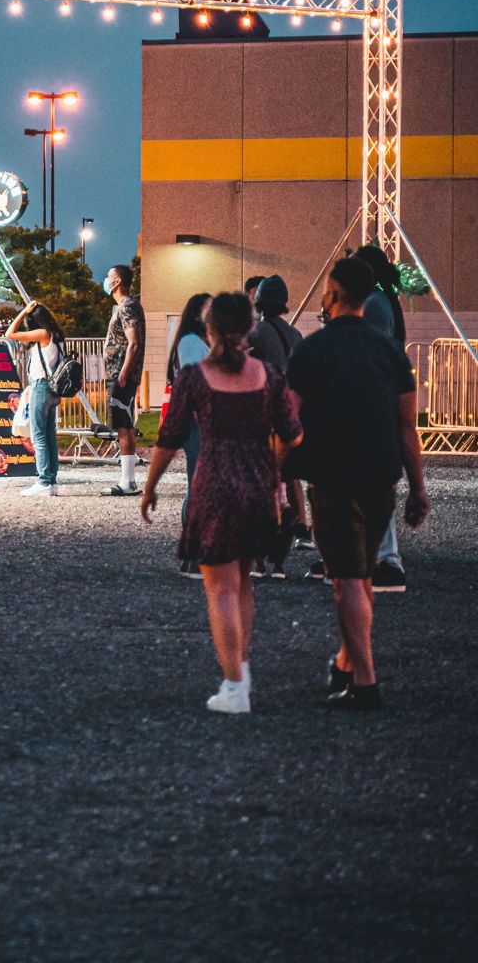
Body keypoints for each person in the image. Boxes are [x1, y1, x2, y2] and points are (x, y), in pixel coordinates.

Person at [141, 291, 302, 715]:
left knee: (220, 589)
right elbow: (293, 433)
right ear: (250, 328)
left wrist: (150, 486)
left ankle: (233, 686)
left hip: (214, 487)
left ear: (208, 328)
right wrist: (276, 473)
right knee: (244, 582)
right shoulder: (268, 375)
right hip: (256, 486)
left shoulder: (195, 377)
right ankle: (241, 670)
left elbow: (169, 436)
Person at [287, 256, 428, 712]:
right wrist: (418, 487)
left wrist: (277, 470)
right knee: (362, 578)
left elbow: (288, 418)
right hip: (380, 476)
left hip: (332, 478)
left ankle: (365, 684)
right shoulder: (389, 351)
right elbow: (408, 426)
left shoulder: (312, 351)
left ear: (333, 292)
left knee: (346, 581)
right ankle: (346, 663)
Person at [353, 242, 409, 594]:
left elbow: (368, 349)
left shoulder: (373, 303)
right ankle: (375, 556)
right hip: (383, 397)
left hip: (372, 399)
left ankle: (385, 559)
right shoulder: (386, 298)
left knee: (370, 480)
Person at [248, 274, 310, 572]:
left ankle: (260, 557)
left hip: (264, 416)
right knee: (286, 478)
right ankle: (292, 531)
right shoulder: (295, 335)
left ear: (258, 302)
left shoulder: (255, 333)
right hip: (292, 416)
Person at [165, 291, 211, 577]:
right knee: (198, 486)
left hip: (198, 421)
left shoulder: (194, 341)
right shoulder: (192, 343)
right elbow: (197, 383)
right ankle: (193, 553)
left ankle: (193, 552)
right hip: (198, 421)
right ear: (197, 315)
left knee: (199, 485)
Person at [6, 299, 65, 496]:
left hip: (41, 387)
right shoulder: (56, 336)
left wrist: (23, 311)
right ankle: (52, 481)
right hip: (53, 389)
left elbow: (10, 334)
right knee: (49, 436)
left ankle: (43, 481)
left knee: (38, 435)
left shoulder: (42, 334)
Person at [103, 264, 145, 496]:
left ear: (117, 281)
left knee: (123, 426)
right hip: (121, 374)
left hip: (121, 375)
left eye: (109, 278)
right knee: (124, 425)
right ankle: (127, 480)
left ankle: (127, 481)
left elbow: (134, 341)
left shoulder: (127, 307)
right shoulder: (127, 306)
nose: (107, 281)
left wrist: (124, 372)